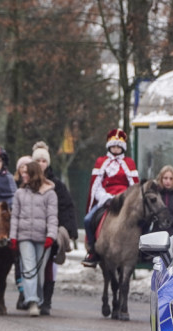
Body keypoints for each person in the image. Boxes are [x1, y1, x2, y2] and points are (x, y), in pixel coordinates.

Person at [32, 142, 78, 315]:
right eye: (39, 160)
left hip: (50, 231)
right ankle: (28, 296)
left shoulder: (57, 185)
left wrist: (69, 229)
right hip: (30, 230)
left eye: (44, 161)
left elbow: (67, 207)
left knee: (49, 266)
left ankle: (46, 300)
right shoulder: (26, 183)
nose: (42, 164)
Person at [82, 128, 139, 267]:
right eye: (113, 146)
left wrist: (127, 199)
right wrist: (105, 197)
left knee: (140, 220)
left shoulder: (129, 163)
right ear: (109, 146)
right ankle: (92, 251)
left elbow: (134, 185)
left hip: (124, 200)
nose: (116, 149)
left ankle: (139, 250)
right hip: (105, 199)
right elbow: (96, 185)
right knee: (88, 219)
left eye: (119, 146)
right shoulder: (101, 162)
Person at [9, 161, 58, 317]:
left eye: (26, 173)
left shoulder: (50, 194)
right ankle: (32, 301)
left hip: (43, 238)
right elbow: (14, 216)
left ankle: (39, 298)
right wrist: (13, 236)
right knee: (28, 269)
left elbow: (52, 217)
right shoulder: (19, 194)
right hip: (24, 237)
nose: (23, 175)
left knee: (40, 271)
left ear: (33, 174)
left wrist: (51, 235)